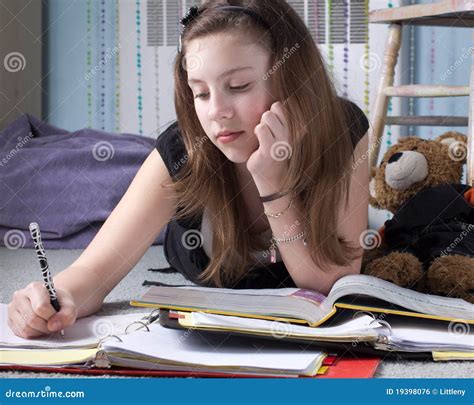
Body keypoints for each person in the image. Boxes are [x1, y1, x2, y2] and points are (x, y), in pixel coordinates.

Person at [8, 0, 370, 339]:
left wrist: (272, 182)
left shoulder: (343, 130)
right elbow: (94, 272)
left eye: (239, 86)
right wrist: (54, 298)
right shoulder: (184, 149)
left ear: (291, 79)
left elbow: (332, 288)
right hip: (188, 228)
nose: (217, 112)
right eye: (201, 93)